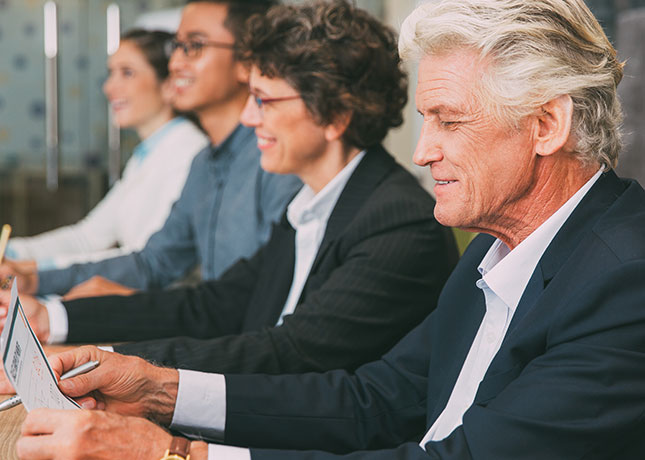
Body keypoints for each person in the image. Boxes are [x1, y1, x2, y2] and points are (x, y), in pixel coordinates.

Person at [8, 0, 645, 459]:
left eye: (449, 122)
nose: (422, 152)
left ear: (546, 126)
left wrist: (174, 455)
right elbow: (379, 396)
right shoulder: (498, 243)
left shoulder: (626, 278)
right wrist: (159, 389)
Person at [1, 0, 457, 379]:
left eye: (265, 101)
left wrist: (121, 368)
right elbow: (214, 304)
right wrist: (55, 319)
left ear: (336, 114)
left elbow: (288, 354)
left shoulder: (396, 220)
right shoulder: (310, 203)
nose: (249, 118)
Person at [0, 0, 301, 303]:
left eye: (194, 46)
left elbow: (256, 303)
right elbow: (153, 262)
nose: (175, 64)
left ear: (246, 61)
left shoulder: (275, 158)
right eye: (176, 47)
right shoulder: (204, 164)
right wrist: (34, 278)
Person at [4, 29, 208, 271]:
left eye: (127, 73)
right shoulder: (149, 154)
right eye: (111, 73)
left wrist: (30, 270)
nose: (110, 87)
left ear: (168, 85)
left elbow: (145, 262)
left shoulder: (188, 153)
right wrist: (12, 253)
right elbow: (87, 238)